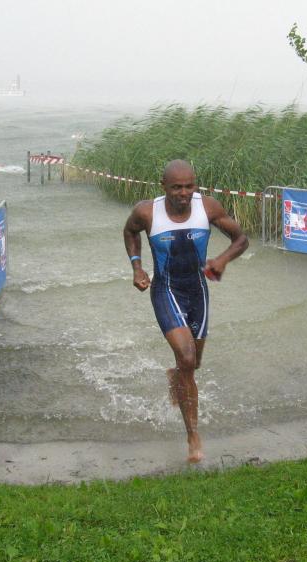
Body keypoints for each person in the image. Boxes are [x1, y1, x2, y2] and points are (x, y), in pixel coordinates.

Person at [123, 159, 248, 463]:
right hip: (166, 290)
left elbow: (241, 239)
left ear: (195, 185)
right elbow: (130, 232)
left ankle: (177, 376)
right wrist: (137, 267)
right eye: (176, 187)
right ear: (163, 186)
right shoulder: (147, 212)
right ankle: (193, 436)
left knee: (193, 365)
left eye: (189, 186)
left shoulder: (208, 207)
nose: (183, 193)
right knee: (187, 357)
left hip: (197, 292)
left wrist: (222, 260)